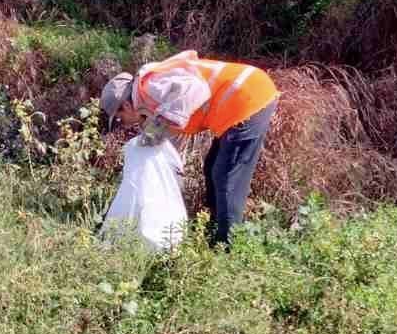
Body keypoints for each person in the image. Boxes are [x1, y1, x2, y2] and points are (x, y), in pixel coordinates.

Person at [100, 50, 279, 245]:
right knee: (211, 168)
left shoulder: (150, 86)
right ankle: (214, 232)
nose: (124, 123)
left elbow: (194, 89)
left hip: (248, 96)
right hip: (239, 101)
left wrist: (158, 127)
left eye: (120, 118)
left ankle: (227, 248)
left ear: (126, 106)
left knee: (226, 177)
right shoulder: (147, 95)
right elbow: (173, 122)